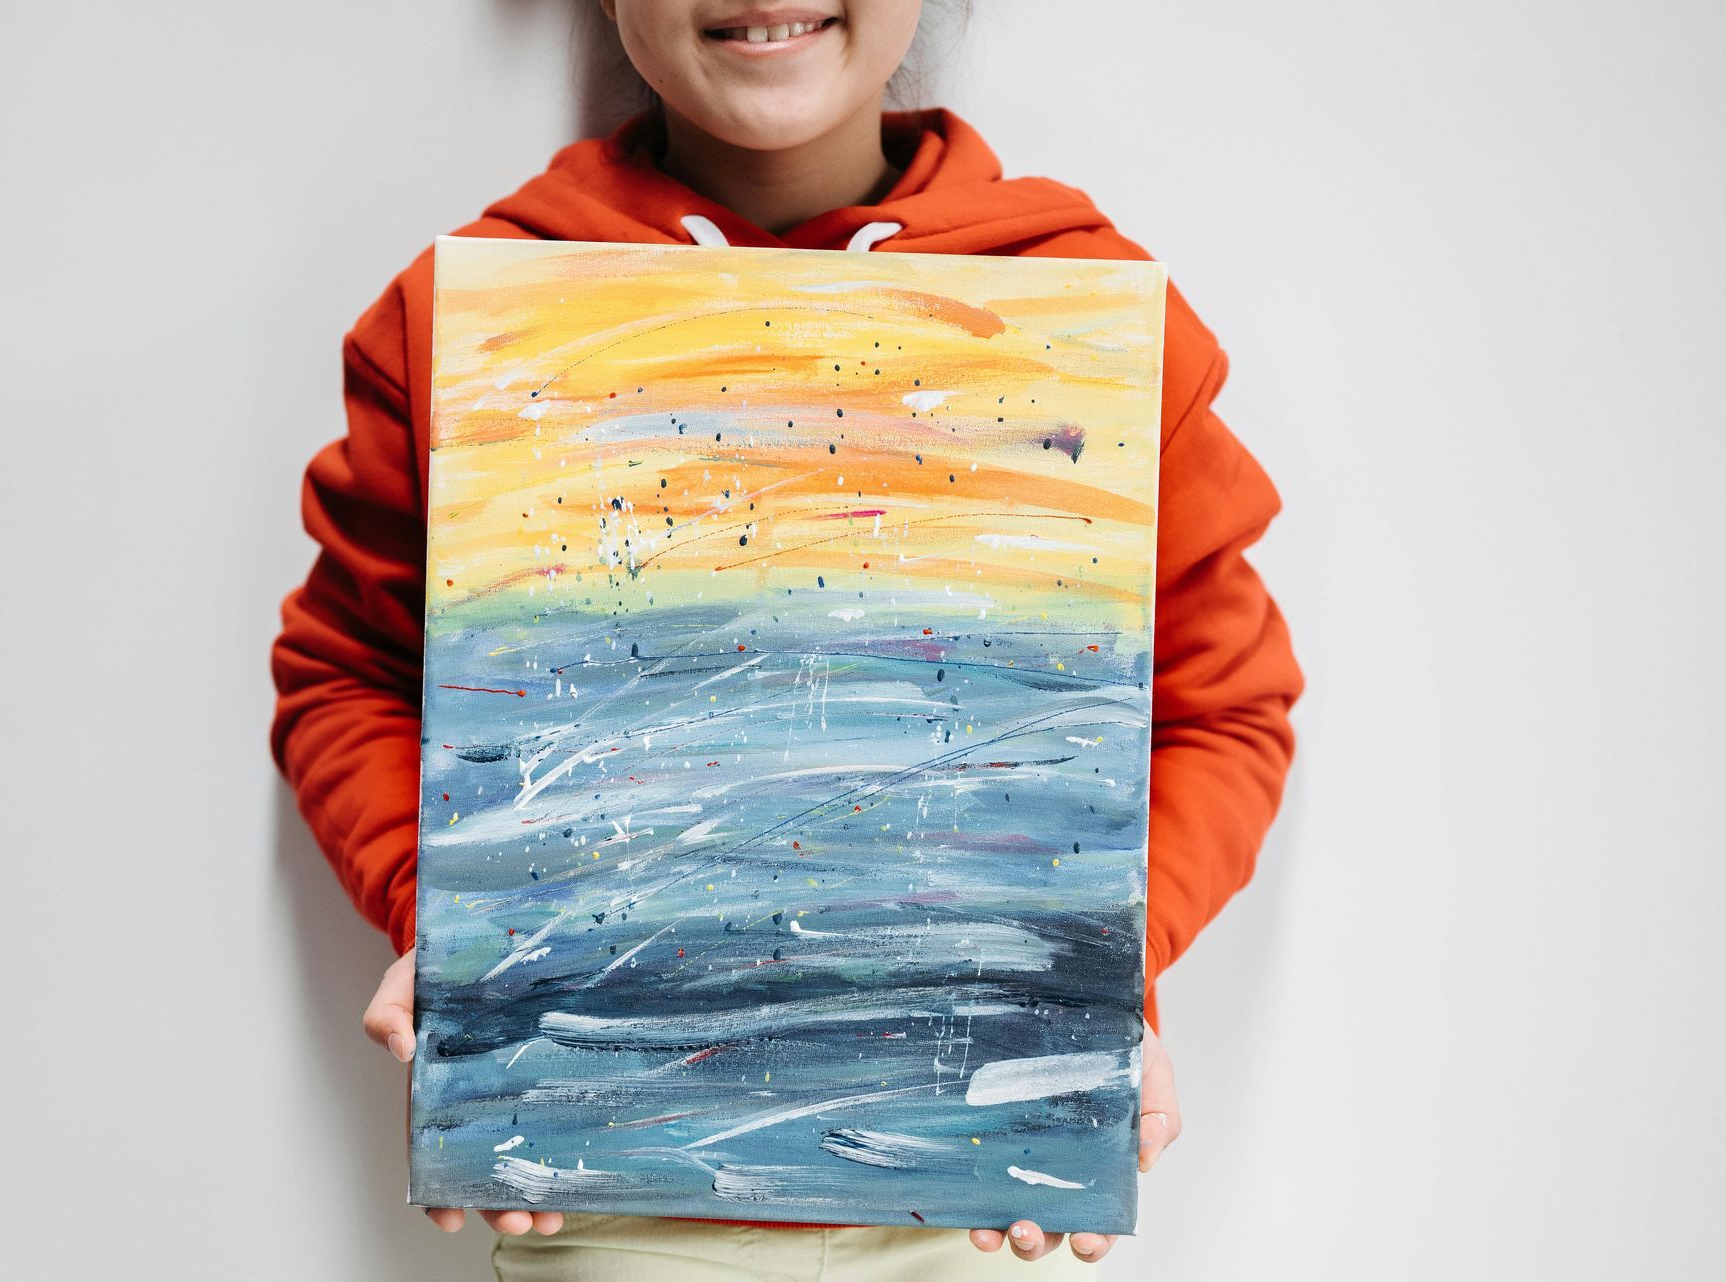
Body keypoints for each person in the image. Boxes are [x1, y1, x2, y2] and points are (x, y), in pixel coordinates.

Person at [269, 1, 1303, 1274]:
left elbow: (1226, 701)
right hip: (616, 1189)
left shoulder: (1077, 304)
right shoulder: (469, 316)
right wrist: (459, 930)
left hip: (982, 1185)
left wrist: (1086, 966)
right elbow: (347, 669)